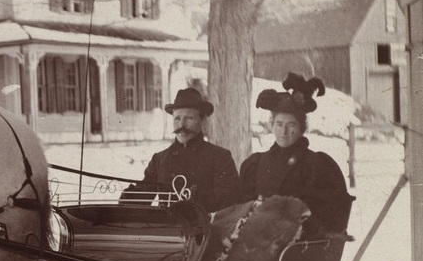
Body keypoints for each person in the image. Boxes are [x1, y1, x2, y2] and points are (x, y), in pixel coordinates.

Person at [236, 73, 352, 237]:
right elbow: (242, 208)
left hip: (297, 245)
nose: (284, 131)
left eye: (291, 125)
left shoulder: (316, 164)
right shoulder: (256, 163)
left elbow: (331, 213)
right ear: (271, 125)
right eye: (279, 124)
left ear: (302, 128)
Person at [121, 84, 239, 213]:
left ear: (203, 121)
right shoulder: (159, 160)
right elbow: (142, 196)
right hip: (168, 230)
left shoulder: (220, 157)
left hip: (206, 230)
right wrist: (129, 198)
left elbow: (229, 197)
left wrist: (194, 199)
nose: (181, 125)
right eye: (177, 118)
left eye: (189, 118)